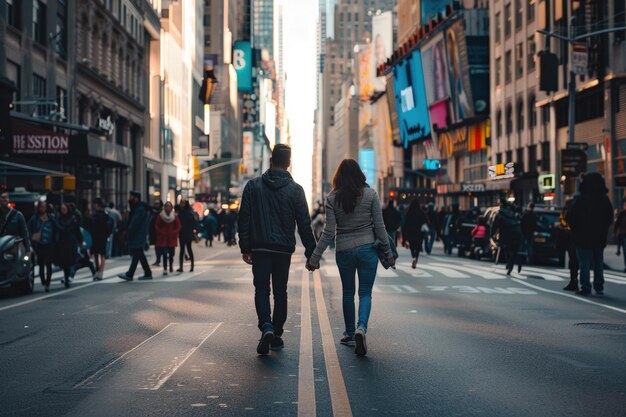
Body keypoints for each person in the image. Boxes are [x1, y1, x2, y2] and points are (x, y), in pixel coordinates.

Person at [308, 159, 393, 357]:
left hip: (344, 249)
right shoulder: (371, 195)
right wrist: (388, 253)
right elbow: (380, 227)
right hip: (367, 249)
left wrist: (314, 258)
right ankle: (361, 328)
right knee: (365, 293)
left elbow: (328, 232)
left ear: (338, 177)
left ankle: (348, 333)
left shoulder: (332, 198)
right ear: (359, 174)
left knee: (348, 292)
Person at [238, 144, 316, 355]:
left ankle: (266, 326)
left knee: (261, 289)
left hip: (260, 248)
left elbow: (243, 218)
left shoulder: (253, 186)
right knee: (280, 291)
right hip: (283, 250)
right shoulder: (296, 190)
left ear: (271, 160)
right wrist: (312, 254)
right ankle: (277, 333)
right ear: (288, 163)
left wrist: (245, 247)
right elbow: (304, 225)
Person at [566, 173, 613, 296]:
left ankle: (586, 286)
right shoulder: (604, 199)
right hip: (599, 236)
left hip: (583, 236)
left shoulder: (580, 199)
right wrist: (603, 229)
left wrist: (575, 229)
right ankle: (599, 286)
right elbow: (610, 218)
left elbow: (570, 217)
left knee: (584, 262)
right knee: (598, 260)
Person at [118, 191, 152, 281]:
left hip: (138, 235)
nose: (130, 199)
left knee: (138, 253)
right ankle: (141, 273)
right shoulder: (139, 208)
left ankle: (132, 274)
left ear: (136, 198)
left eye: (132, 197)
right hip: (138, 235)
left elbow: (134, 223)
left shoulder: (139, 209)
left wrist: (129, 231)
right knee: (138, 254)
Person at [27, 201, 56, 292]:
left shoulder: (51, 217)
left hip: (49, 244)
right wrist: (31, 237)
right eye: (41, 206)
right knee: (41, 264)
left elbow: (56, 228)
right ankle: (43, 281)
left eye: (44, 206)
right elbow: (28, 228)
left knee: (48, 264)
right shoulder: (34, 218)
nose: (43, 208)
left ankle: (47, 283)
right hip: (39, 245)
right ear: (38, 208)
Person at [493, 197, 524, 275]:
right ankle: (517, 260)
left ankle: (510, 265)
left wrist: (492, 234)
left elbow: (494, 225)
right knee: (514, 250)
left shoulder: (500, 213)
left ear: (501, 204)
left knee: (507, 250)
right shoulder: (513, 211)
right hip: (517, 232)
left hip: (506, 234)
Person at [56, 203, 82, 288]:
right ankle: (67, 278)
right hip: (62, 243)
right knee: (64, 262)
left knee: (71, 260)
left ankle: (69, 276)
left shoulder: (73, 218)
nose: (63, 210)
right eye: (62, 209)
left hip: (71, 242)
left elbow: (77, 230)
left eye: (65, 209)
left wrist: (80, 240)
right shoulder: (58, 219)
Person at [91, 199, 114, 281]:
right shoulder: (106, 215)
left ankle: (98, 271)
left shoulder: (95, 215)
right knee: (102, 255)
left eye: (95, 204)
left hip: (96, 237)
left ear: (98, 205)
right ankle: (100, 272)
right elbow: (110, 227)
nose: (94, 206)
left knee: (97, 255)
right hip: (102, 237)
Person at [560, 198, 580, 291]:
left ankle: (575, 281)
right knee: (575, 260)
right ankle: (576, 281)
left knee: (574, 260)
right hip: (577, 237)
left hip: (573, 237)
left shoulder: (569, 212)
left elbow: (565, 221)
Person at [156, 201, 181, 276]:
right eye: (166, 206)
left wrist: (174, 232)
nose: (168, 207)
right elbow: (157, 226)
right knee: (164, 254)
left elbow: (178, 226)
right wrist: (161, 232)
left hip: (172, 238)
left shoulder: (174, 216)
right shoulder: (161, 216)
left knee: (171, 254)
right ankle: (165, 268)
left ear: (171, 207)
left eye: (169, 206)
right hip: (163, 238)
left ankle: (170, 266)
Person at [403, 200, 427, 269]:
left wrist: (405, 236)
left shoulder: (409, 212)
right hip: (419, 232)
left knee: (412, 246)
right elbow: (425, 221)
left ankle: (413, 257)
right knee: (418, 247)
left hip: (411, 232)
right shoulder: (421, 212)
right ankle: (416, 258)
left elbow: (405, 224)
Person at [177, 199, 196, 273]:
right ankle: (181, 267)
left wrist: (194, 232)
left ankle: (192, 266)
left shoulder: (189, 213)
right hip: (182, 233)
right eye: (181, 203)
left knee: (189, 249)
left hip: (188, 233)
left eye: (183, 203)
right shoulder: (180, 212)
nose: (182, 204)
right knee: (182, 250)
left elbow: (193, 223)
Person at [149, 200, 163, 266]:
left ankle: (159, 259)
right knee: (156, 246)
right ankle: (158, 259)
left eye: (157, 203)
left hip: (160, 231)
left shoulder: (162, 212)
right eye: (155, 203)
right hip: (153, 231)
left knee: (160, 246)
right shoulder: (153, 212)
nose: (156, 205)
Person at [613, 199, 626, 271]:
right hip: (623, 234)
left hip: (623, 234)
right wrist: (615, 231)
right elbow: (617, 223)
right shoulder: (621, 214)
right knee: (625, 251)